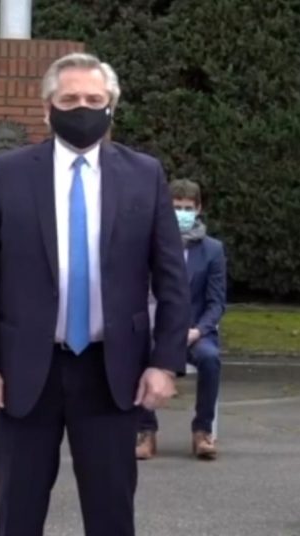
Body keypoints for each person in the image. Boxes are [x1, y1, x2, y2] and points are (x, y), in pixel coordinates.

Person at [0, 52, 191, 536]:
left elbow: (171, 278)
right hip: (24, 372)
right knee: (18, 514)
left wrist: (165, 363)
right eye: (69, 100)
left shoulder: (144, 174)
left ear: (111, 107)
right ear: (47, 109)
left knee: (111, 515)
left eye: (93, 99)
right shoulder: (5, 174)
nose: (82, 108)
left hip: (112, 372)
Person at [136, 179, 227, 461]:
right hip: (159, 330)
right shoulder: (151, 245)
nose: (183, 213)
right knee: (137, 353)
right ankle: (146, 431)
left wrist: (198, 330)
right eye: (177, 207)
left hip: (195, 333)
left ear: (198, 209)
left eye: (188, 208)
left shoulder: (213, 250)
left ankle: (202, 431)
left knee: (210, 358)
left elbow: (216, 302)